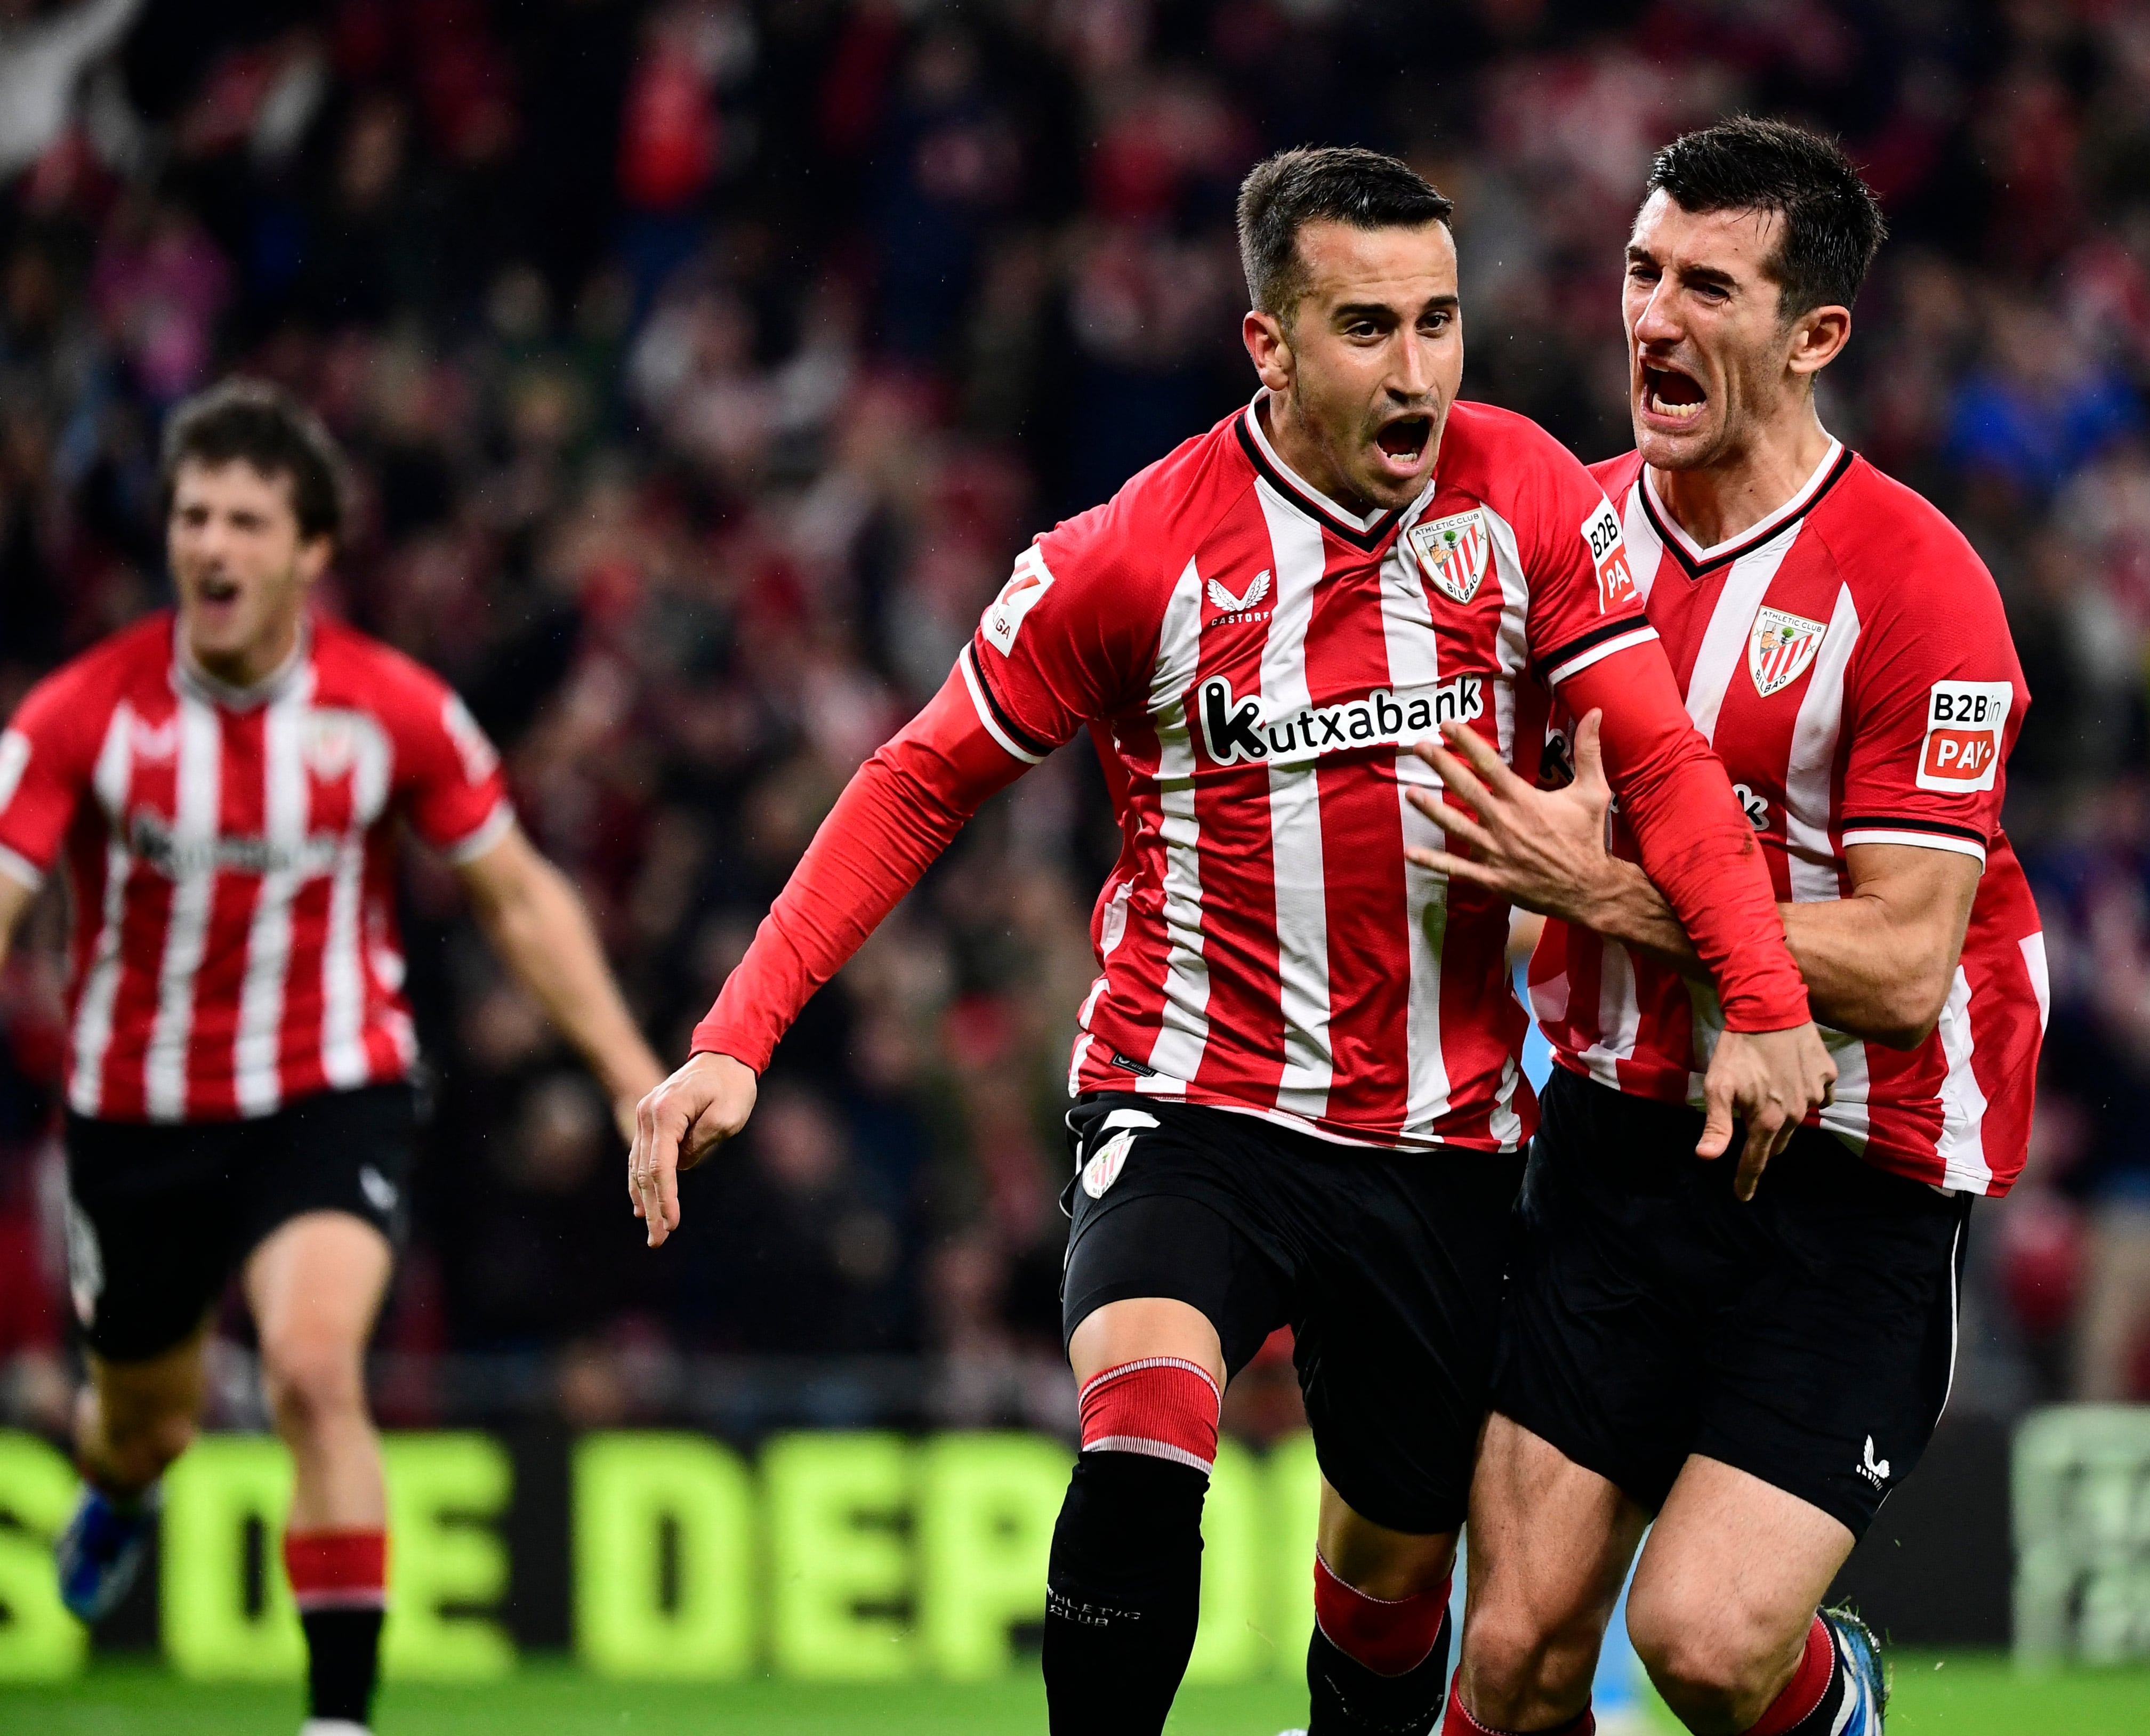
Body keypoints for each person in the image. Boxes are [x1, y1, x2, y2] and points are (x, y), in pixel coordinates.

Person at [625, 146, 1830, 1736]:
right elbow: (918, 782)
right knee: (1143, 1429)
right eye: (1366, 329)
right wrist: (735, 1034)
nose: (1416, 371)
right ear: (1266, 345)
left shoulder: (1523, 488)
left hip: (1438, 1136)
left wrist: (1756, 993)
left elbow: (1662, 762)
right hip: (1189, 1098)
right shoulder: (1128, 557)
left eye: (1438, 322)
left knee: (1394, 1574)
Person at [1405, 118, 2047, 1736]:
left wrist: (1609, 891)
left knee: (1697, 1641)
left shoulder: (1917, 587)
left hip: (1850, 1169)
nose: (1651, 318)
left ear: (1814, 333)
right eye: (1638, 272)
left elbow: (1904, 963)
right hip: (1619, 1143)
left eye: (1707, 286)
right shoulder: (1567, 540)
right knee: (1521, 1652)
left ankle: (1838, 1700)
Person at [0, 381, 665, 1736]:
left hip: (328, 1091)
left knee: (314, 1368)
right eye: (194, 516)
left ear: (310, 550)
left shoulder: (391, 709)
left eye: (247, 520)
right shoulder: (83, 716)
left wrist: (626, 1073)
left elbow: (520, 897)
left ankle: (339, 1722)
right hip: (137, 1114)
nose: (212, 546)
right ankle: (121, 1488)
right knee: (143, 1423)